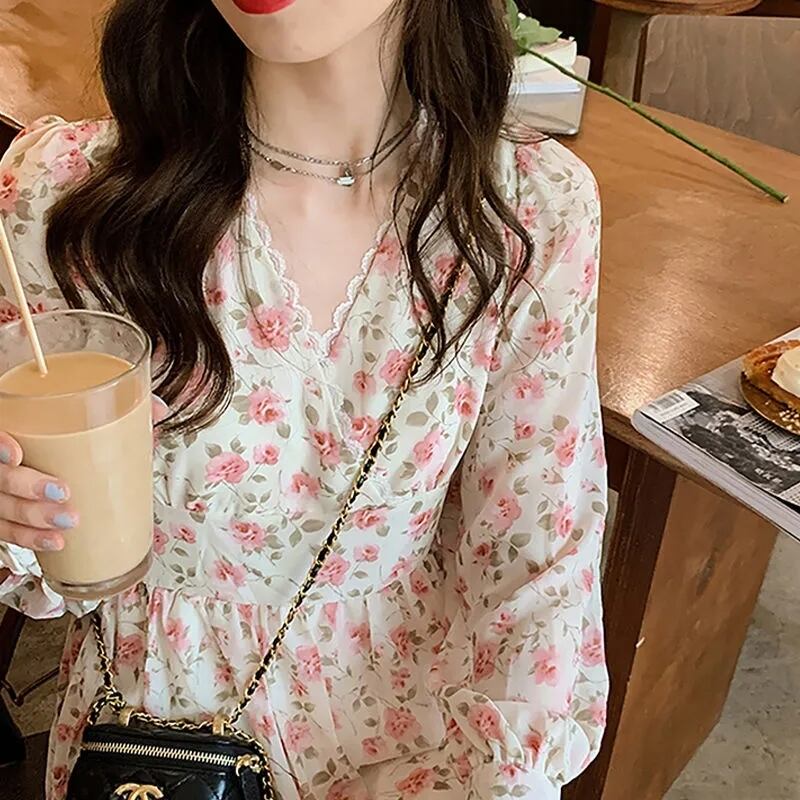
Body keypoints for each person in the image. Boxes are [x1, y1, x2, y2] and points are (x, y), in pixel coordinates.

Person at [0, 1, 608, 797]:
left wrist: (496, 777)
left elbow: (538, 559)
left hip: (413, 759)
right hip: (146, 748)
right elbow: (40, 560)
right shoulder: (63, 196)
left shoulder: (526, 210)